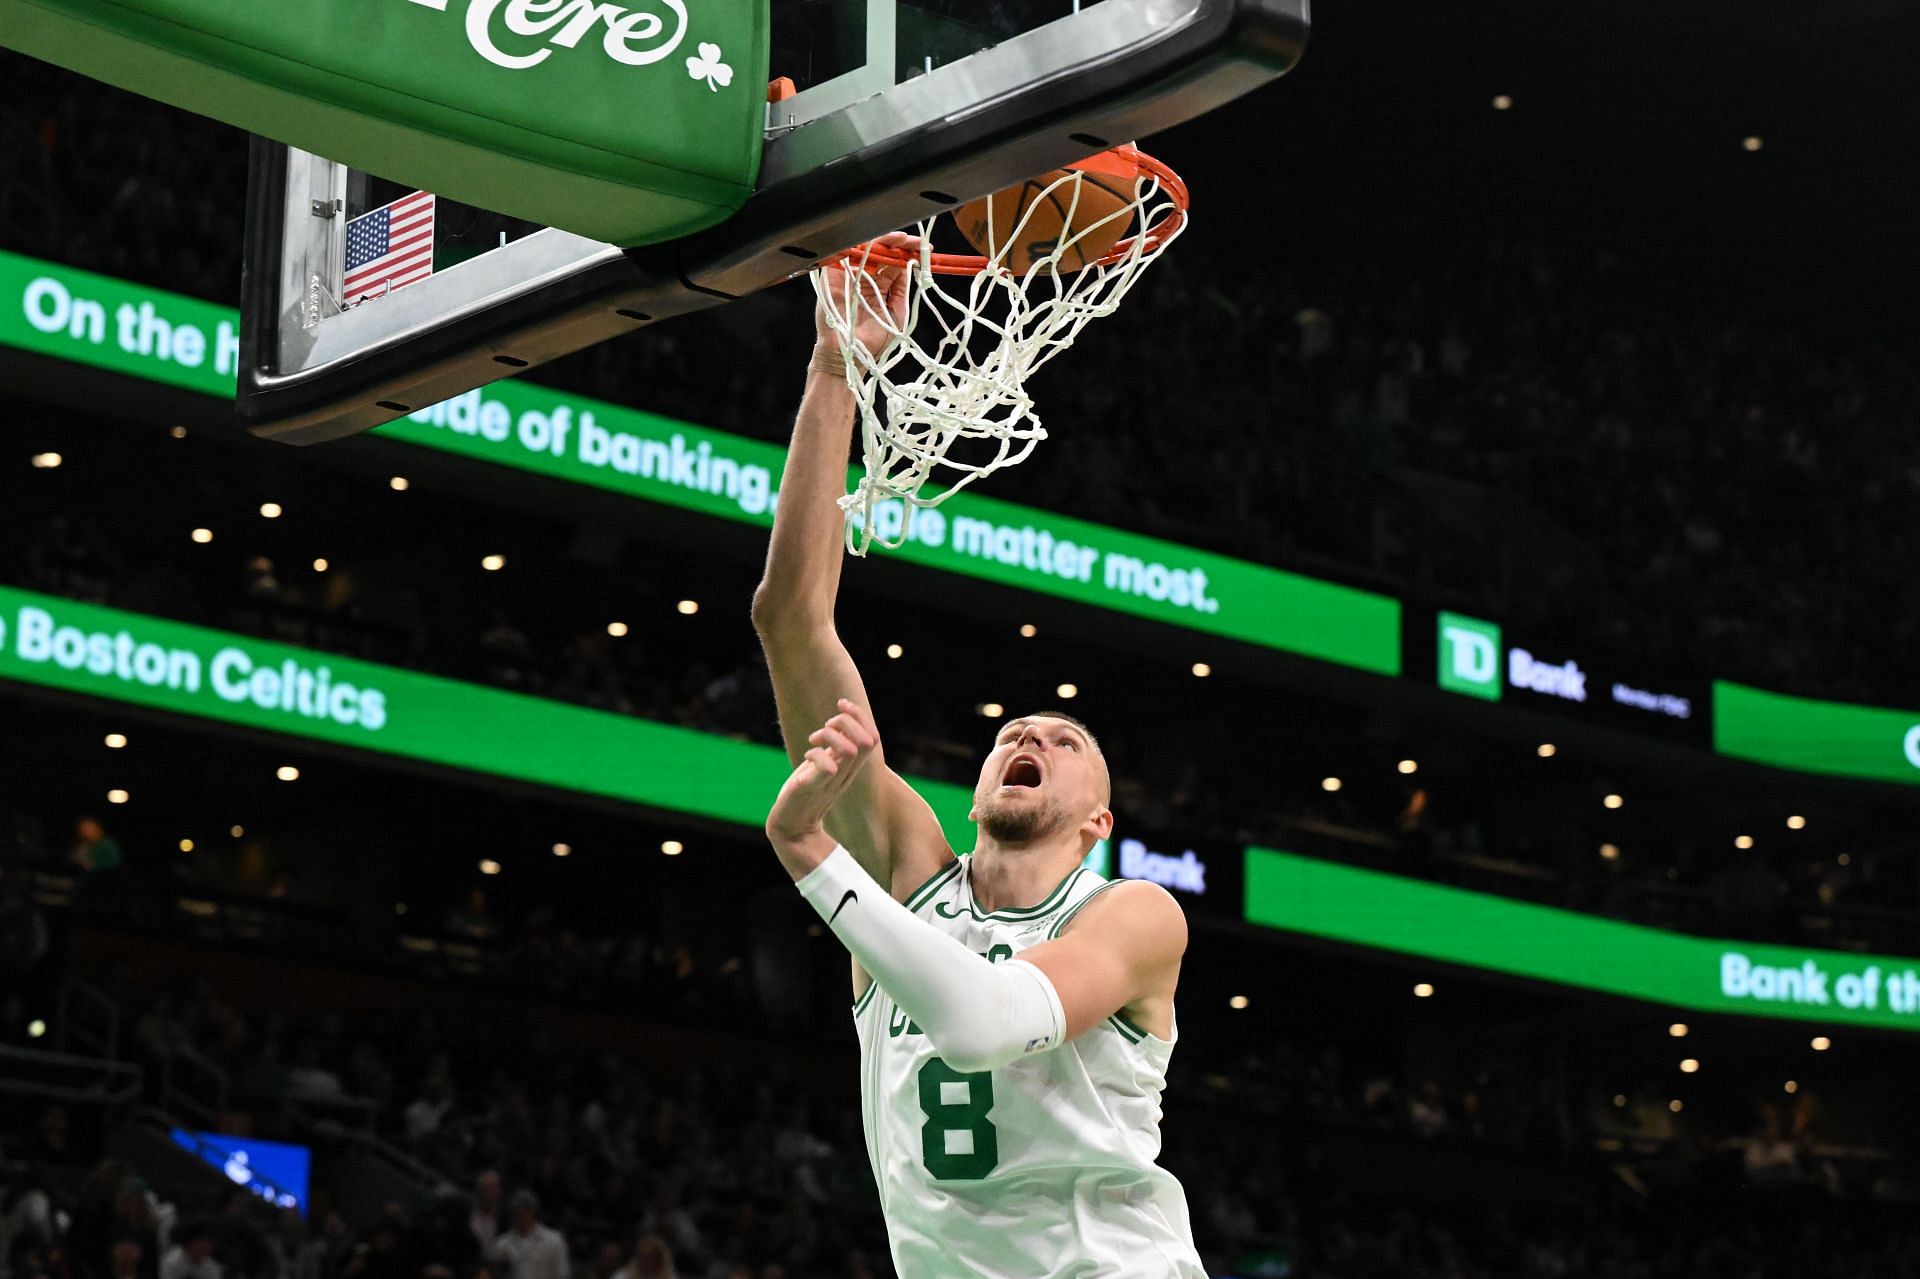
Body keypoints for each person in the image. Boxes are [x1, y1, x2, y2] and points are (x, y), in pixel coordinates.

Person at [751, 241, 1201, 1278]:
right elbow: (790, 616)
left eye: (1065, 740)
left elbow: (988, 1021)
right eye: (1011, 733)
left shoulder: (1131, 916)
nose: (1028, 736)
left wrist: (812, 854)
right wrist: (835, 370)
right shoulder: (911, 871)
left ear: (1100, 819)